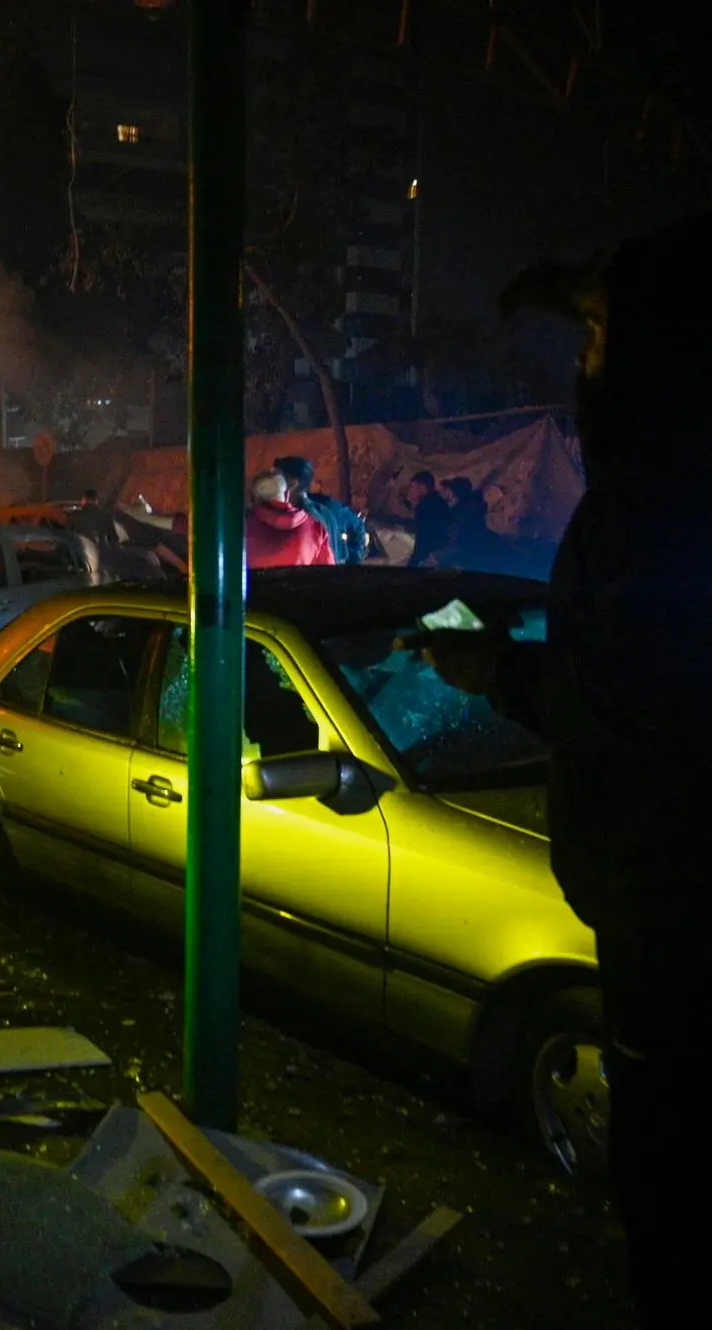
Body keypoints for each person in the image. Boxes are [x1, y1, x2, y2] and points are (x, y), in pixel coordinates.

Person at [421, 215, 711, 1327]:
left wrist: (493, 668)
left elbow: (623, 706)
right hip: (663, 916)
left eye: (598, 335)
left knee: (670, 1200)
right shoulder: (657, 496)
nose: (586, 363)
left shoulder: (646, 508)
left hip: (673, 935)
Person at [274, 454, 368, 566]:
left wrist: (353, 563)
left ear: (293, 483)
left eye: (277, 478)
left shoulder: (326, 510)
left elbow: (357, 527)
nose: (270, 482)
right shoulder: (272, 510)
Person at [244, 470, 335, 568]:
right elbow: (327, 574)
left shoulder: (240, 527)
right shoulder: (316, 529)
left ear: (253, 498)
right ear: (287, 495)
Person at [439, 476, 493, 569]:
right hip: (476, 557)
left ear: (452, 493)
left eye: (448, 490)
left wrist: (439, 557)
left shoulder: (461, 514)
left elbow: (457, 543)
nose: (446, 493)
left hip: (467, 562)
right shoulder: (472, 506)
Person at [405, 471, 450, 568]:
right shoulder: (440, 502)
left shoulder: (424, 507)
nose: (409, 491)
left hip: (431, 557)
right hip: (442, 555)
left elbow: (423, 540)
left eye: (412, 486)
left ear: (422, 488)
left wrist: (413, 563)